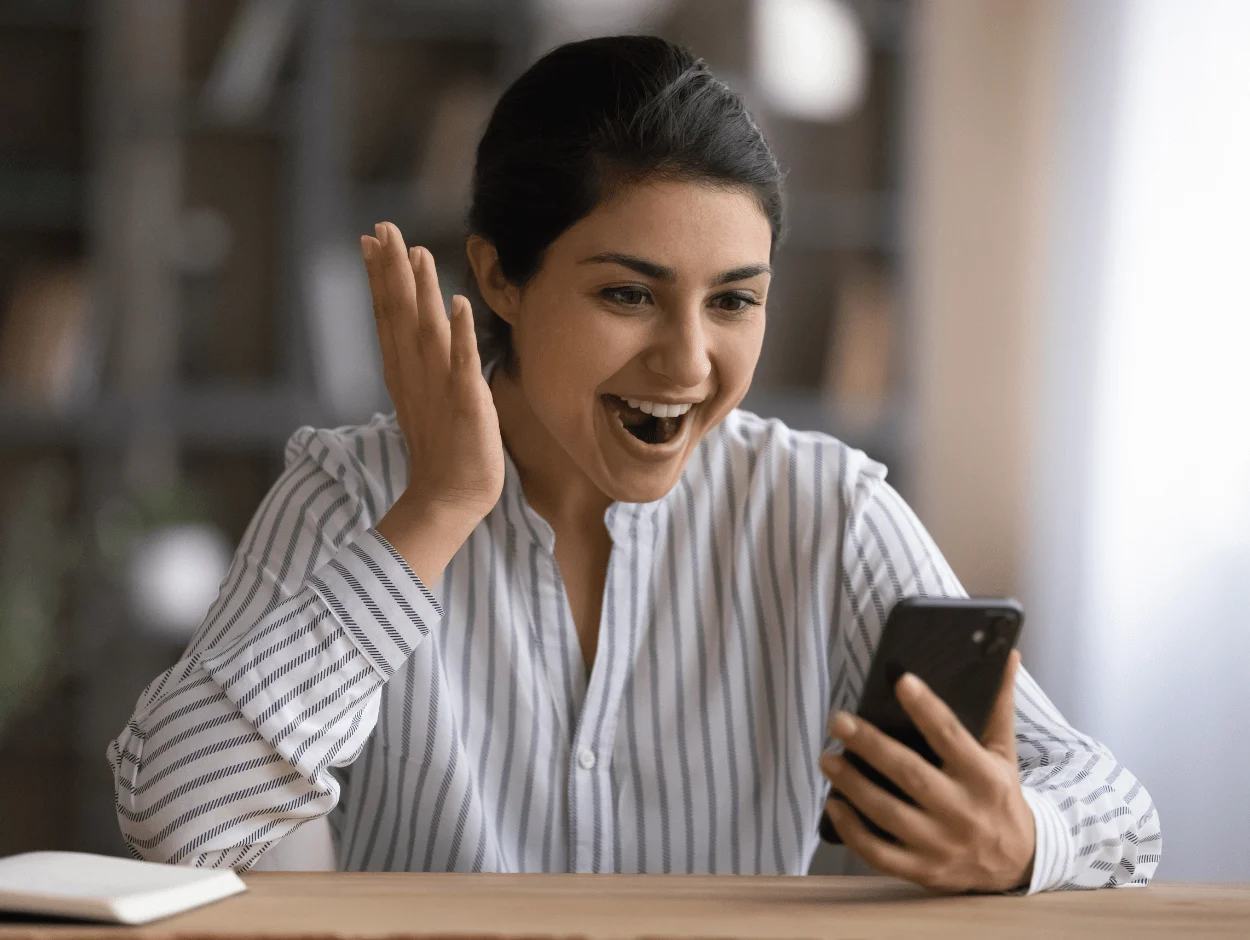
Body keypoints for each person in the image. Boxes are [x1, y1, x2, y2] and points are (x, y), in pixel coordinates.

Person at [109, 35, 1159, 892]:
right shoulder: (357, 493)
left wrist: (1021, 838)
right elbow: (177, 815)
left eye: (733, 300)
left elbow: (1116, 813)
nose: (689, 361)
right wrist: (436, 510)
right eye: (626, 293)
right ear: (501, 278)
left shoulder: (820, 511)